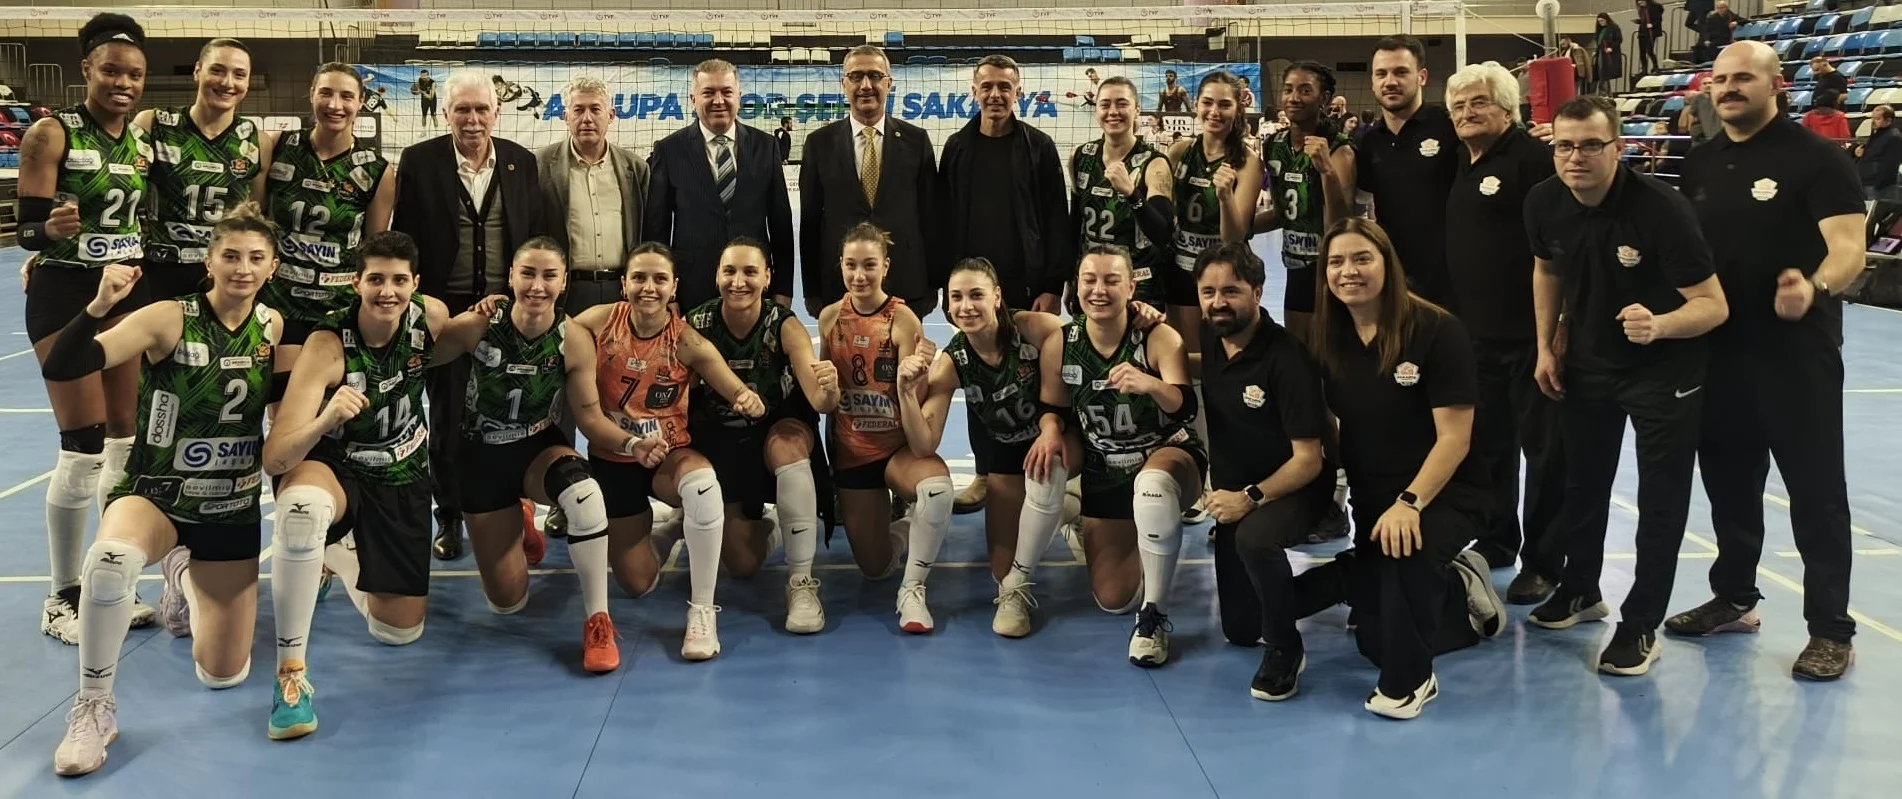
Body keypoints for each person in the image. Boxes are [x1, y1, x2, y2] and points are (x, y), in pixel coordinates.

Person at [47, 205, 282, 776]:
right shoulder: (168, 317)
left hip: (230, 508)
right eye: (230, 256)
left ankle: (182, 576)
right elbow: (65, 364)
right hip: (156, 494)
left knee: (223, 673)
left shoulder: (273, 327)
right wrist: (98, 306)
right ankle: (94, 705)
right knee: (110, 561)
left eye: (255, 258)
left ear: (273, 267)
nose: (243, 268)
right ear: (209, 261)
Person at [1671, 41, 1867, 680]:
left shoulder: (1818, 159)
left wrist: (1814, 286)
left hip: (1796, 356)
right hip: (1718, 354)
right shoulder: (1700, 162)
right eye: (1720, 79)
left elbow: (1849, 248)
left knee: (1816, 492)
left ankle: (1831, 629)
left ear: (1776, 85)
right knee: (1728, 486)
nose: (1729, 88)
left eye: (1744, 78)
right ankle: (1733, 598)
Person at [1523, 95, 1729, 676]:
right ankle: (1581, 589)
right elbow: (1546, 268)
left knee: (1660, 500)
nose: (1576, 157)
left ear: (1617, 148)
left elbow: (1713, 305)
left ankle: (1641, 624)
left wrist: (1659, 325)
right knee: (1582, 486)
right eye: (1565, 145)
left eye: (1591, 145)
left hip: (1665, 371)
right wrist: (1546, 344)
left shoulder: (1660, 209)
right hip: (1590, 366)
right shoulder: (1544, 201)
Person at [1295, 218, 1502, 718]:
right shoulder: (1331, 336)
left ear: (1388, 264)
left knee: (1408, 559)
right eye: (1336, 262)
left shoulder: (1436, 330)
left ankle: (1410, 682)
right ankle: (1455, 585)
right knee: (1373, 640)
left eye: (1362, 258)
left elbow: (1455, 439)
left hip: (1445, 491)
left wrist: (1411, 503)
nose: (1348, 271)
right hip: (1375, 499)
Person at [261, 230, 454, 742]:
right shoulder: (327, 345)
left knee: (399, 631)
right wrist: (326, 418)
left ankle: (340, 552)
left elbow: (474, 337)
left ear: (415, 284)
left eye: (398, 281)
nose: (387, 291)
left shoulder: (431, 319)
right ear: (356, 282)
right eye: (375, 280)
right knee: (302, 511)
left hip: (401, 470)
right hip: (336, 464)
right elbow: (276, 456)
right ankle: (290, 677)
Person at [17, 12, 161, 643]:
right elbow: (26, 226)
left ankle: (109, 580)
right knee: (82, 447)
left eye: (134, 74)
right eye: (111, 71)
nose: (123, 83)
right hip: (67, 297)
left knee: (124, 442)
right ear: (86, 70)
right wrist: (44, 233)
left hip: (125, 293)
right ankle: (61, 596)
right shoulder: (51, 133)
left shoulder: (142, 140)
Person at [432, 238, 629, 673]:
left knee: (584, 495)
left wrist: (632, 444)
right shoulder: (478, 325)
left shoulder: (573, 339)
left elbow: (590, 417)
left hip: (538, 449)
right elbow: (415, 357)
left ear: (563, 283)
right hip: (480, 460)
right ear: (510, 277)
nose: (537, 286)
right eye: (527, 273)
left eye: (548, 276)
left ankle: (598, 620)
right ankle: (519, 519)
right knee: (508, 602)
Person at [570, 242, 766, 660]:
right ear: (623, 284)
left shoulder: (686, 341)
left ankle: (702, 611)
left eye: (660, 279)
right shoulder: (596, 323)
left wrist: (748, 399)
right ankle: (669, 532)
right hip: (615, 458)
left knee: (703, 485)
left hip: (667, 455)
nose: (649, 287)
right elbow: (550, 327)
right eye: (639, 278)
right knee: (637, 583)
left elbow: (736, 389)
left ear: (674, 287)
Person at [391, 69, 546, 561]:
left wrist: (520, 299)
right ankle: (450, 516)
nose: (473, 119)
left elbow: (534, 235)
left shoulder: (521, 162)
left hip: (507, 311)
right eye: (463, 109)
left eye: (482, 109)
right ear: (446, 114)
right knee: (449, 419)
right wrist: (420, 306)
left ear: (496, 113)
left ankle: (512, 507)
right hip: (447, 314)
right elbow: (407, 239)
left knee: (512, 416)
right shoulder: (419, 161)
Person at [910, 258, 1108, 637]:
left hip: (1059, 436)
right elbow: (925, 441)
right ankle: (1067, 510)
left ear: (997, 296)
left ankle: (1017, 586)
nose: (966, 306)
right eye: (957, 297)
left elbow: (1095, 337)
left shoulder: (1035, 329)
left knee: (1048, 469)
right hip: (1006, 453)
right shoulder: (953, 361)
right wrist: (908, 390)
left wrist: (1139, 315)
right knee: (998, 567)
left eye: (976, 295)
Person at [1039, 244, 1205, 667]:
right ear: (1075, 287)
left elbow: (1186, 407)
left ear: (1131, 287)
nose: (1099, 290)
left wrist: (1151, 385)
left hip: (1167, 452)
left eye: (1111, 280)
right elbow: (1053, 407)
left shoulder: (1158, 336)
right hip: (1105, 467)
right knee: (1113, 599)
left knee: (1152, 487)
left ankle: (1154, 617)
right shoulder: (1062, 342)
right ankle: (1086, 519)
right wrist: (1051, 430)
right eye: (1089, 280)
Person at [1441, 62, 1566, 604]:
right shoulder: (1463, 160)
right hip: (1477, 337)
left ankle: (1544, 562)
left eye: (1478, 103)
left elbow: (1560, 251)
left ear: (1508, 109)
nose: (1466, 113)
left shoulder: (1534, 159)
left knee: (1544, 454)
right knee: (1490, 447)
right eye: (1458, 106)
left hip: (1531, 340)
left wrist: (1556, 332)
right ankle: (1497, 539)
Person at [1188, 242, 1336, 685]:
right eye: (1208, 291)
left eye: (1231, 291)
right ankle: (1351, 578)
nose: (1218, 302)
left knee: (1254, 540)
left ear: (1257, 291)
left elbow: (1309, 460)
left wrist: (1249, 498)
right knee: (1240, 627)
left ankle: (1285, 647)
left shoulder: (1288, 359)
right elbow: (1200, 368)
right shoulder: (1213, 336)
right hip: (1236, 492)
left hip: (1294, 488)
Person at [939, 54, 1072, 513]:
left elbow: (1057, 218)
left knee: (1034, 381)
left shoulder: (1039, 147)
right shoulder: (957, 147)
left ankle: (1042, 464)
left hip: (1027, 288)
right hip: (974, 295)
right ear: (974, 92)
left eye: (1004, 87)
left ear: (1018, 92)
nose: (995, 95)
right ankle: (985, 472)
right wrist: (948, 289)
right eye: (987, 86)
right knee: (979, 382)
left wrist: (1052, 284)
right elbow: (944, 219)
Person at [685, 238, 839, 634]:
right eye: (729, 271)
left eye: (750, 272)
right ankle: (771, 523)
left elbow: (819, 400)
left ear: (767, 278)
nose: (738, 281)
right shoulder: (696, 325)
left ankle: (801, 581)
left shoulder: (784, 325)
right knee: (742, 565)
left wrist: (830, 390)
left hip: (778, 427)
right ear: (716, 275)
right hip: (724, 442)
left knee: (788, 446)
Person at [818, 223, 956, 633]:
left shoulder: (902, 318)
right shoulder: (830, 318)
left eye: (869, 265)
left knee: (936, 489)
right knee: (875, 569)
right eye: (851, 265)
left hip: (899, 450)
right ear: (840, 265)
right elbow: (826, 401)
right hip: (853, 452)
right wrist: (826, 389)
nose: (859, 275)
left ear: (886, 266)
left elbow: (919, 407)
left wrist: (911, 382)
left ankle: (913, 589)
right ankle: (905, 527)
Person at [263, 62, 395, 382]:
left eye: (346, 96)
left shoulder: (376, 170)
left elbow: (372, 250)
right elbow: (254, 222)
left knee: (331, 403)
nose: (335, 105)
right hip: (281, 301)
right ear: (311, 95)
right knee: (282, 400)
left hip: (339, 306)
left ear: (360, 102)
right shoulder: (278, 145)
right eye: (326, 93)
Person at [799, 45, 941, 317]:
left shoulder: (917, 141)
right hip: (839, 286)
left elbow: (931, 219)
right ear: (844, 84)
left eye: (875, 76)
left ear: (889, 83)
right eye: (856, 76)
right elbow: (810, 223)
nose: (866, 85)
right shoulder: (819, 144)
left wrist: (932, 283)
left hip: (905, 285)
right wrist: (812, 289)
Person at [645, 59, 795, 312]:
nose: (718, 101)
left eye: (726, 92)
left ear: (739, 97)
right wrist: (666, 294)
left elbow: (781, 224)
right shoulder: (669, 150)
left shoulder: (766, 146)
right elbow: (656, 231)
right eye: (708, 93)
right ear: (693, 100)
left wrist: (783, 289)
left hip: (754, 286)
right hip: (692, 288)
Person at [137, 38, 266, 303]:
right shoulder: (153, 123)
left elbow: (257, 213)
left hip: (225, 274)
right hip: (162, 269)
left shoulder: (257, 141)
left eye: (239, 74)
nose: (227, 82)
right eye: (217, 70)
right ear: (198, 71)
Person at [1356, 36, 1459, 314]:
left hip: (1451, 280)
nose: (1390, 82)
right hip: (1395, 279)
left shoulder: (1450, 127)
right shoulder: (1370, 142)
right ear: (1372, 81)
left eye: (1401, 72)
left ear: (1422, 76)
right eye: (1381, 74)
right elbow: (1359, 204)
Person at [534, 75, 648, 316]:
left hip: (621, 290)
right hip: (564, 290)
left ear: (611, 116)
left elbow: (649, 231)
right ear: (566, 117)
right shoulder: (539, 165)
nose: (587, 118)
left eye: (595, 109)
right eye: (578, 110)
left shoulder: (636, 168)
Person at [1168, 71, 1262, 350]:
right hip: (1181, 269)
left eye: (1224, 104)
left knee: (1226, 353)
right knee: (1185, 354)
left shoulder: (1248, 162)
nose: (1214, 112)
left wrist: (1225, 197)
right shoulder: (1178, 152)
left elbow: (1234, 238)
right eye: (1207, 102)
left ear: (1238, 109)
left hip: (1225, 273)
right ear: (1196, 104)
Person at [1263, 61, 1357, 338]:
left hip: (1330, 269)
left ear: (1324, 98)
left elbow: (1340, 225)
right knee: (1298, 350)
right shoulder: (1274, 145)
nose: (1294, 98)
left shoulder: (1340, 149)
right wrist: (1239, 226)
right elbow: (1282, 213)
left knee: (1330, 352)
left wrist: (1326, 171)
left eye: (1305, 90)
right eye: (1288, 89)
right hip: (1295, 268)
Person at [1073, 77, 1178, 312]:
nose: (1113, 112)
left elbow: (1163, 234)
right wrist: (1070, 278)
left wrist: (1132, 193)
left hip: (1140, 287)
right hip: (1092, 283)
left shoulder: (1154, 164)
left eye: (1122, 104)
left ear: (1137, 109)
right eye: (1105, 104)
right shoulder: (1082, 156)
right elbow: (1074, 225)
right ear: (1096, 110)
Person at [1594, 14, 1625, 94]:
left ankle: (1604, 92)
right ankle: (1605, 92)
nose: (1600, 23)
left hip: (1609, 53)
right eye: (1599, 21)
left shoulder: (1614, 28)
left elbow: (1619, 39)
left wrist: (1611, 47)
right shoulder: (1600, 29)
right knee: (1602, 73)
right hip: (1602, 51)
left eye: (1602, 21)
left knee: (1605, 73)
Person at [1635, 0, 1665, 75]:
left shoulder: (1653, 7)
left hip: (1651, 32)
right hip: (1642, 32)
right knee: (1642, 52)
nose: (1639, 2)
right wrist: (1639, 21)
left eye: (1641, 0)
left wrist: (1652, 25)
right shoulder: (1642, 9)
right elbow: (1644, 20)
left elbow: (1658, 19)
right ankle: (1644, 70)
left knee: (1649, 50)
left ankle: (1656, 66)